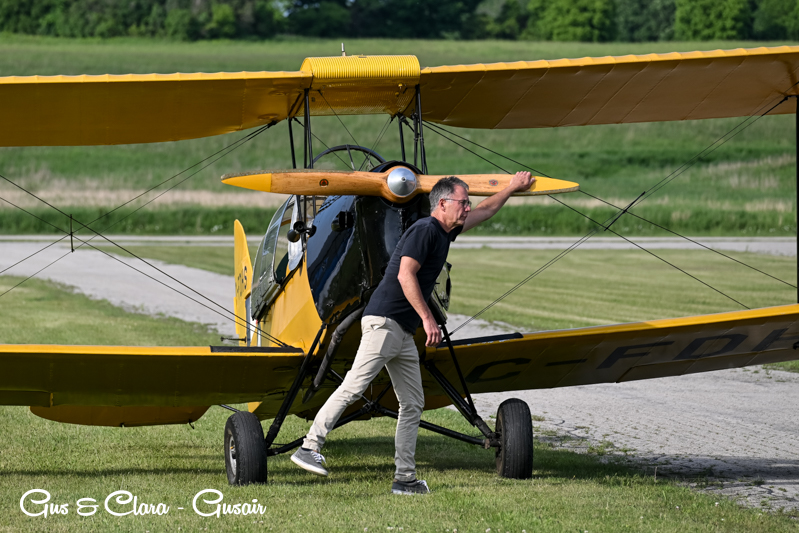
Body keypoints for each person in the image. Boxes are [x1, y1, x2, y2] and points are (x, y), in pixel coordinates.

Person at [291, 171, 535, 495]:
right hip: (384, 321)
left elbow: (486, 210)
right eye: (463, 202)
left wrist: (511, 187)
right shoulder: (425, 230)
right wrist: (428, 319)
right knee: (354, 386)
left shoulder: (445, 232)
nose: (467, 208)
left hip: (402, 330)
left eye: (467, 203)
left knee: (412, 404)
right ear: (443, 203)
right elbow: (405, 274)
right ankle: (309, 446)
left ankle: (404, 478)